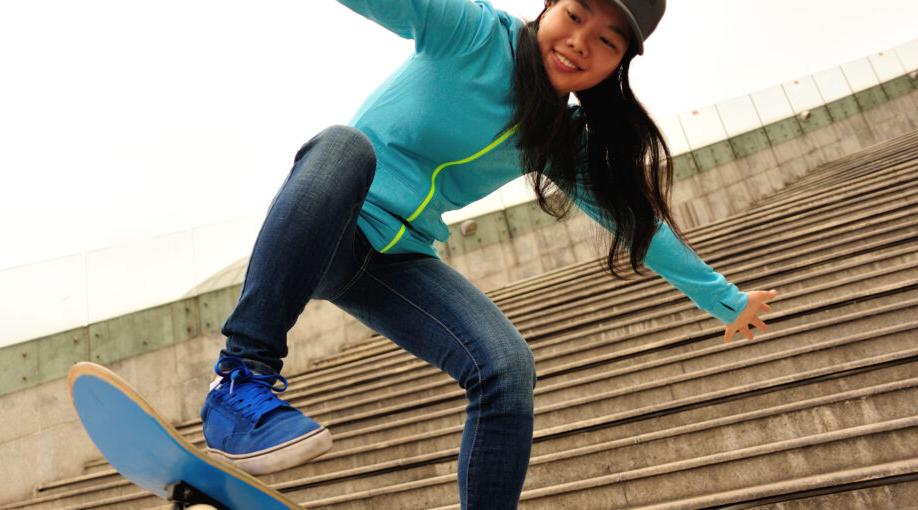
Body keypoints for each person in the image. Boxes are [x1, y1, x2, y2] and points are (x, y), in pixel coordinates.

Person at [197, 0, 777, 507]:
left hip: (396, 262)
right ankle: (240, 379)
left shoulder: (560, 138)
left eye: (605, 42)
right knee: (344, 147)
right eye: (575, 16)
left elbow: (637, 224)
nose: (579, 43)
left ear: (616, 67)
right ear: (549, 7)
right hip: (326, 226)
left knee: (506, 367)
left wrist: (725, 299)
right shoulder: (471, 31)